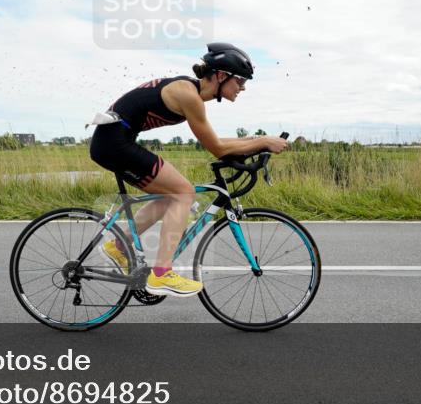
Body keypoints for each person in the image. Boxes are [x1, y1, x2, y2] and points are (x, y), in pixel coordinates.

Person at [89, 43, 289, 297]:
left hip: (114, 141)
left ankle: (119, 245)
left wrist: (256, 142)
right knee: (184, 192)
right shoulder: (189, 96)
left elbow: (216, 141)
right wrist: (261, 142)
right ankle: (162, 275)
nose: (243, 87)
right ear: (220, 75)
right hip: (114, 144)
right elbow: (217, 148)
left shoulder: (189, 91)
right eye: (239, 80)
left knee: (173, 195)